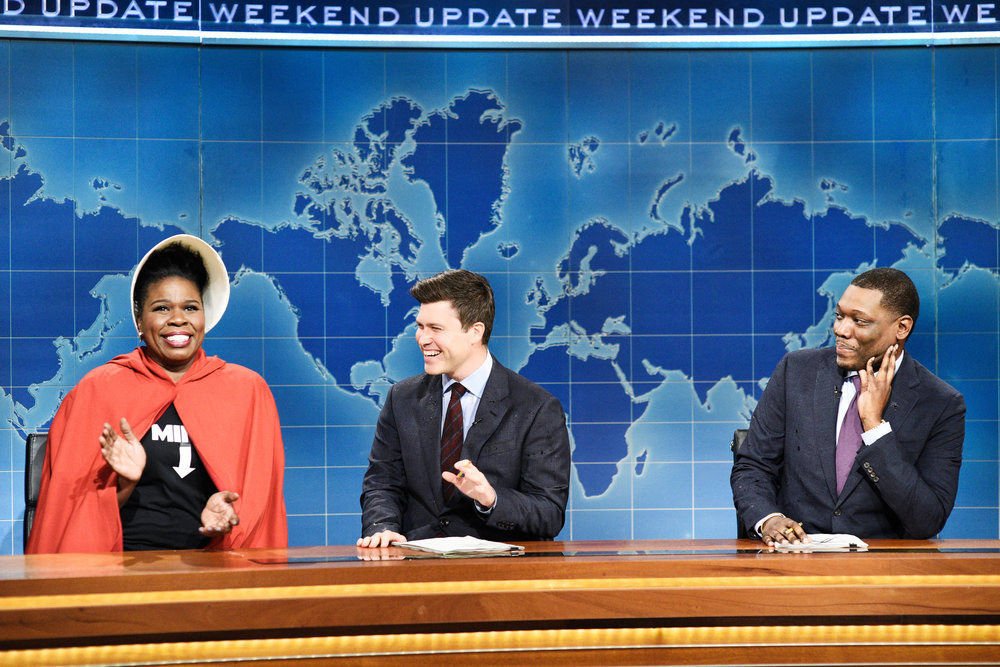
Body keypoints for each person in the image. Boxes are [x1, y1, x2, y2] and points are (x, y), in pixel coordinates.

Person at [26, 234, 287, 553]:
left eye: (190, 307)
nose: (178, 320)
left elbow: (258, 509)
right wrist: (125, 484)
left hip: (212, 569)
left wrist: (222, 519)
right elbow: (72, 519)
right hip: (119, 572)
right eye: (162, 308)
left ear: (205, 315)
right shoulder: (98, 390)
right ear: (139, 319)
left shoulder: (247, 393)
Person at [731, 267, 965, 546]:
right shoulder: (796, 372)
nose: (841, 330)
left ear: (901, 327)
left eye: (860, 321)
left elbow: (927, 519)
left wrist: (875, 427)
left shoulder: (940, 403)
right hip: (794, 559)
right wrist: (769, 519)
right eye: (840, 316)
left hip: (883, 572)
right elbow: (753, 467)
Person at [358, 269, 571, 547]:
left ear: (475, 332)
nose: (422, 339)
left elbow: (549, 513)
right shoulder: (403, 398)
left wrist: (491, 499)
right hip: (416, 566)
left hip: (497, 575)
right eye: (420, 326)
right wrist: (382, 526)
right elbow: (382, 482)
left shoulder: (536, 408)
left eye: (435, 328)